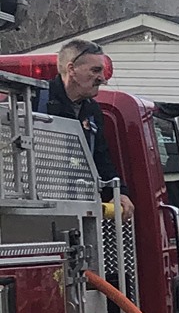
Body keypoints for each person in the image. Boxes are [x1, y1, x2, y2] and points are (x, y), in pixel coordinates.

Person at [36, 38, 134, 217]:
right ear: (71, 69)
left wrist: (118, 193)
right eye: (95, 70)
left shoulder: (92, 111)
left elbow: (100, 158)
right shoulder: (34, 99)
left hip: (76, 209)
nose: (102, 79)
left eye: (102, 72)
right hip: (35, 210)